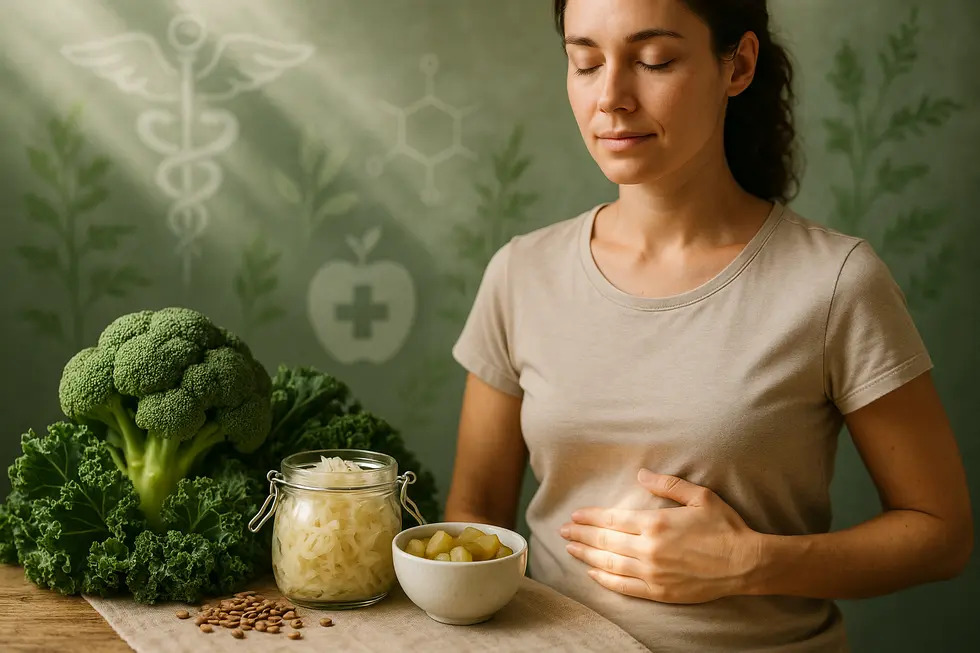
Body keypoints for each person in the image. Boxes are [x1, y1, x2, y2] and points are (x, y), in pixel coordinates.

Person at [443, 0, 973, 651]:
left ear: (738, 65)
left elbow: (941, 533)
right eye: (584, 62)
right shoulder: (521, 274)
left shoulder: (835, 281)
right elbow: (473, 518)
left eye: (654, 60)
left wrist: (750, 561)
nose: (611, 97)